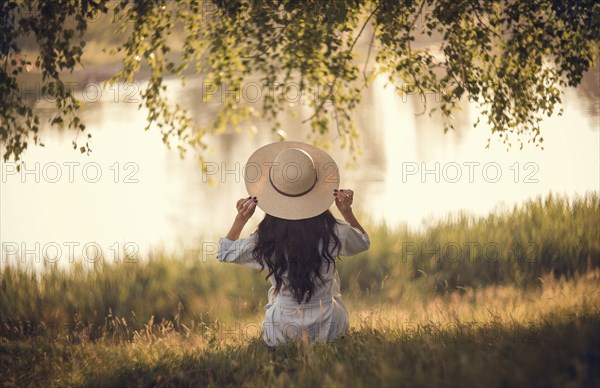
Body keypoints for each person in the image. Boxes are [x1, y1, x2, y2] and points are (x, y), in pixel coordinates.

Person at [216, 141, 370, 347]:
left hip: (281, 332)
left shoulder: (266, 239)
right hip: (330, 328)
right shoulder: (333, 232)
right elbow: (363, 242)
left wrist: (240, 220)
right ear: (316, 189)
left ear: (273, 193)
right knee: (333, 289)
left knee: (275, 296)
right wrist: (347, 211)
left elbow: (225, 253)